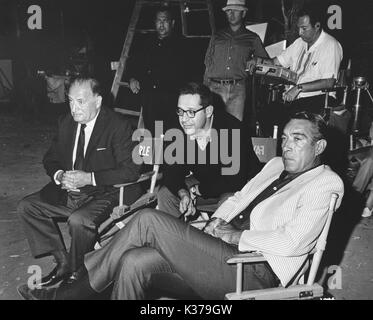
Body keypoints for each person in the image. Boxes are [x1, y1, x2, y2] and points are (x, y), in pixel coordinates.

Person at [17, 112, 344, 300]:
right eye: (285, 138)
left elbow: (291, 243)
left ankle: (65, 297)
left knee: (148, 221)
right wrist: (215, 222)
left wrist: (233, 237)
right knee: (133, 261)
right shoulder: (275, 165)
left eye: (297, 139)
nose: (286, 146)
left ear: (321, 146)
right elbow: (241, 198)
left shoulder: (326, 184)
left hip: (257, 271)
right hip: (221, 251)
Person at [17, 77, 141, 287]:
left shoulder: (118, 126)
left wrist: (89, 177)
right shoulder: (66, 122)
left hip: (106, 193)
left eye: (80, 101)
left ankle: (77, 270)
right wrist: (59, 175)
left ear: (98, 101)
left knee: (78, 220)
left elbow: (130, 171)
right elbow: (51, 158)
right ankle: (63, 261)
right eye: (70, 101)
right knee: (27, 207)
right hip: (71, 193)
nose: (74, 108)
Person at [157, 82, 261, 219]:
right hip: (203, 184)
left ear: (208, 111)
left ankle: (215, 239)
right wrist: (183, 193)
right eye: (180, 111)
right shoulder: (177, 128)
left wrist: (196, 190)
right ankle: (175, 237)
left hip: (239, 189)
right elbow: (171, 170)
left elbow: (234, 181)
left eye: (191, 112)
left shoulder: (232, 130)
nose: (184, 119)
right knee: (165, 194)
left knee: (228, 201)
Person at [247, 6, 343, 135]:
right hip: (294, 99)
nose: (300, 32)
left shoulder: (331, 45)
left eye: (304, 28)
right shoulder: (299, 43)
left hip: (317, 98)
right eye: (299, 28)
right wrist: (258, 60)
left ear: (317, 26)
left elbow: (329, 82)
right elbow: (276, 62)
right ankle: (275, 151)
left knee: (285, 118)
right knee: (265, 114)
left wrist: (299, 88)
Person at [127, 6, 189, 135]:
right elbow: (134, 64)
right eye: (158, 20)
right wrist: (132, 78)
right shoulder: (146, 42)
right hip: (149, 99)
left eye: (165, 20)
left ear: (172, 23)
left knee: (171, 136)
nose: (161, 24)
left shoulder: (182, 45)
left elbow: (188, 74)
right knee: (152, 134)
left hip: (172, 101)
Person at [203, 0, 269, 122]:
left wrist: (256, 59)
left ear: (243, 14)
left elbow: (268, 62)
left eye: (235, 11)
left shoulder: (252, 37)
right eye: (228, 11)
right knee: (213, 125)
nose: (231, 14)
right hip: (214, 89)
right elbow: (208, 62)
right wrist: (204, 90)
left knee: (234, 127)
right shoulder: (217, 36)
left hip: (238, 89)